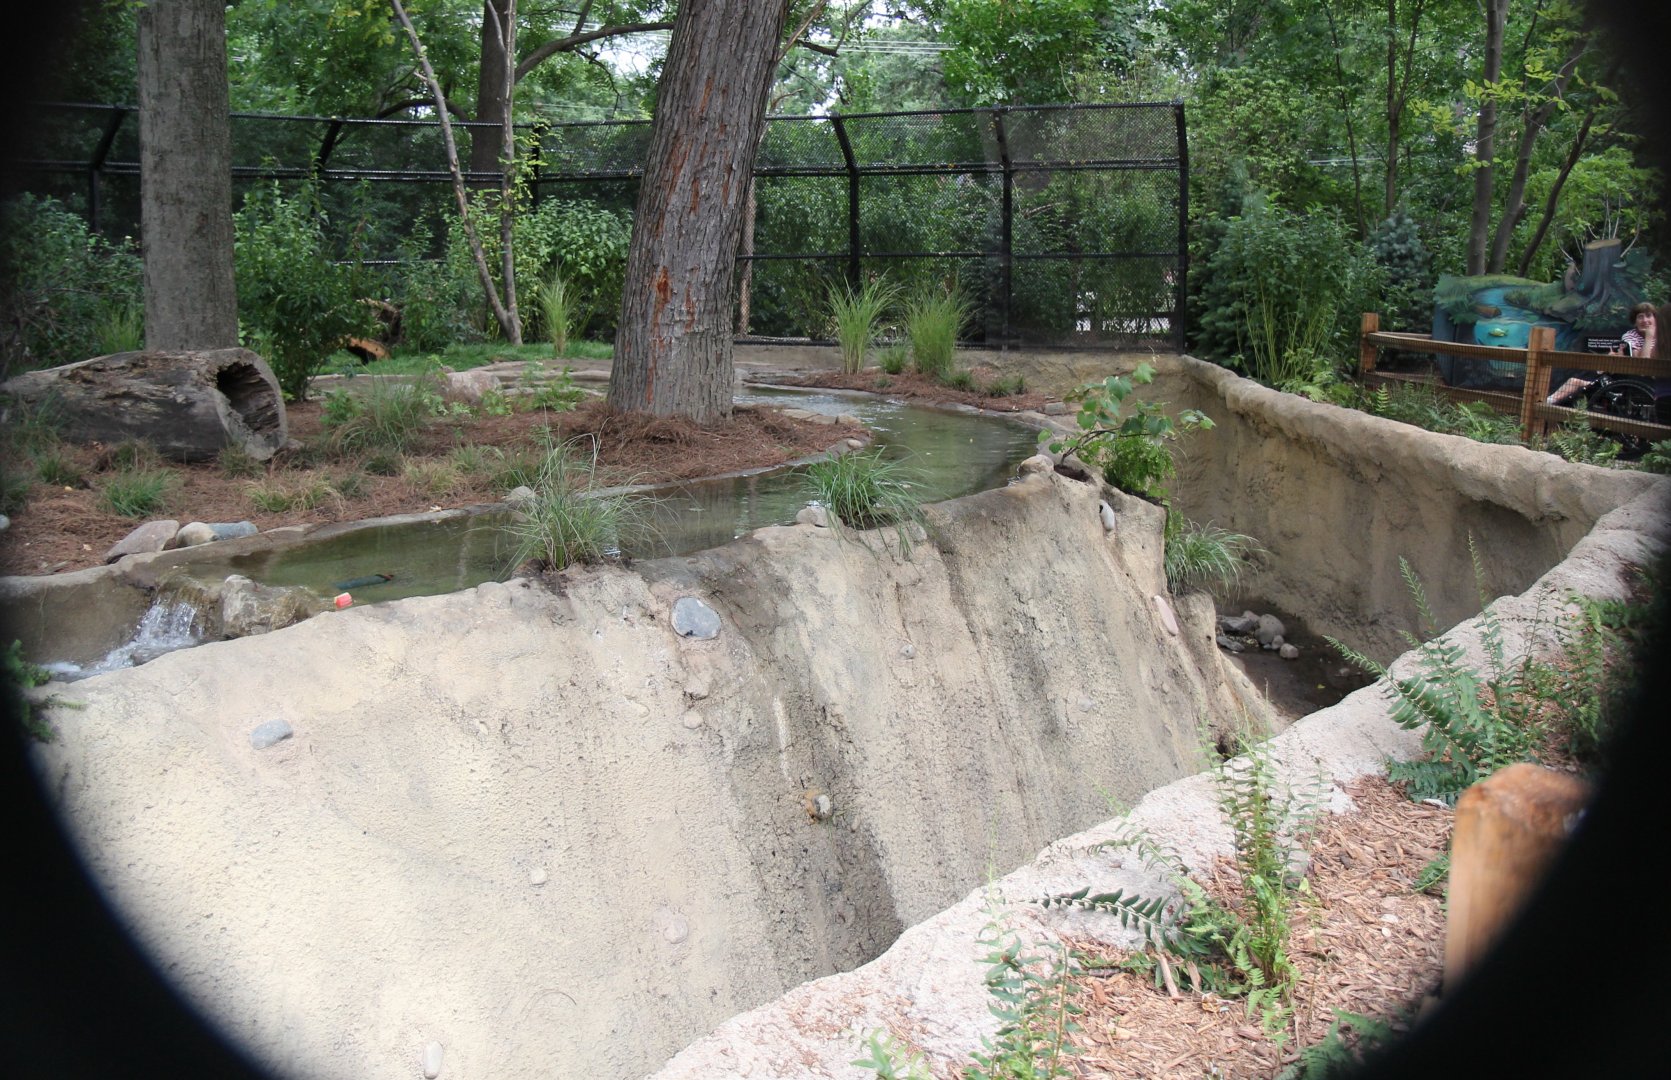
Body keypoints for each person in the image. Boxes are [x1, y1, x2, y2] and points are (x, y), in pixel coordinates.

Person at [1547, 301, 1661, 404]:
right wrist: (1648, 339)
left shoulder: (1664, 337)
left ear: (1655, 319)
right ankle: (1545, 403)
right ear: (1635, 322)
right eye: (1640, 317)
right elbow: (1642, 363)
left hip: (1655, 383)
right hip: (1626, 382)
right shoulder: (1630, 336)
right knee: (1574, 382)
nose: (1645, 320)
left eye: (1648, 316)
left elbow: (1645, 366)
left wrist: (1650, 338)